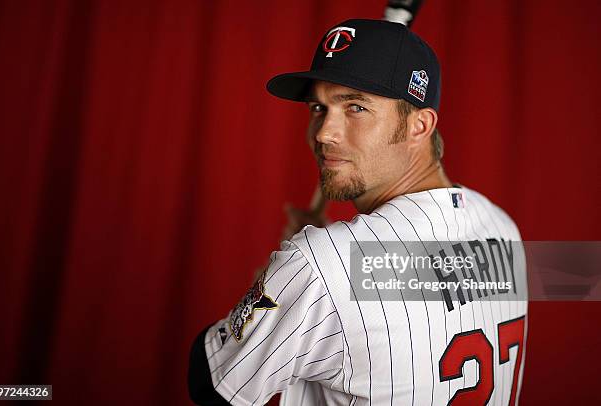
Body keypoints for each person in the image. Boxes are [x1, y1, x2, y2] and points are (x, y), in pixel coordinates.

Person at [188, 19, 528, 406]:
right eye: (319, 107)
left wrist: (277, 282)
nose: (323, 133)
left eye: (356, 107)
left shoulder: (322, 265)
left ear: (420, 125)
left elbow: (211, 384)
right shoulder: (503, 229)